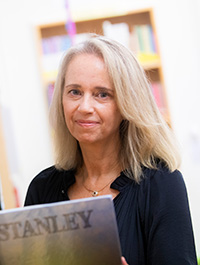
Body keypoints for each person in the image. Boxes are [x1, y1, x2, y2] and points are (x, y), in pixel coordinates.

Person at [24, 34, 198, 265]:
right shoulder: (42, 189)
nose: (84, 107)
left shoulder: (161, 184)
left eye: (102, 94)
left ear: (127, 104)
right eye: (75, 91)